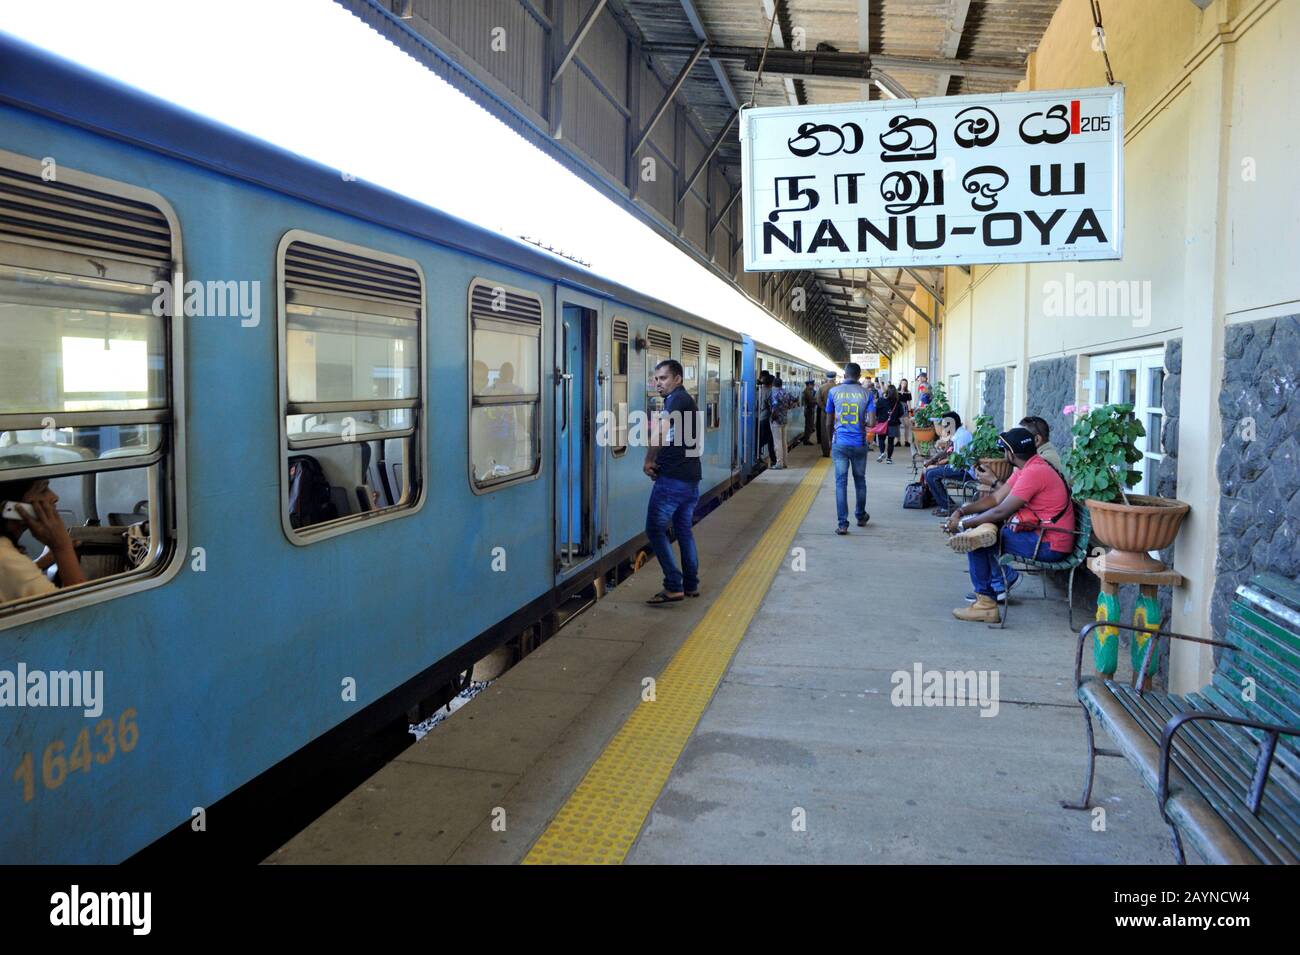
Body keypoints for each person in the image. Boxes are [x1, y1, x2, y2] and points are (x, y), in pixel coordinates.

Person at [944, 427, 1075, 622]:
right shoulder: (1029, 467)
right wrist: (962, 511)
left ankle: (985, 603)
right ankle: (996, 586)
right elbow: (996, 498)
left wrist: (963, 524)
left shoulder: (1034, 472)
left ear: (1010, 454)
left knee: (975, 539)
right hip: (1044, 536)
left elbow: (1000, 511)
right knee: (980, 532)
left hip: (1049, 543)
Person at [643, 359, 702, 605]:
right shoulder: (682, 400)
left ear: (678, 378)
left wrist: (649, 460)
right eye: (656, 379)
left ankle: (673, 584)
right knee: (683, 530)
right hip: (689, 479)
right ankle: (690, 584)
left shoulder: (677, 399)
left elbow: (660, 431)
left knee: (654, 529)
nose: (658, 383)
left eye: (663, 378)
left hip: (673, 481)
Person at [1, 472, 87, 603]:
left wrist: (39, 564)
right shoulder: (6, 558)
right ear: (10, 507)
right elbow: (81, 613)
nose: (54, 497)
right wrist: (62, 547)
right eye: (43, 490)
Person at [825, 362, 873, 535]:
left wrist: (831, 442)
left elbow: (829, 421)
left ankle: (843, 524)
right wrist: (862, 423)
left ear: (844, 375)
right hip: (859, 443)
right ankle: (860, 515)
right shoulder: (867, 393)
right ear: (859, 376)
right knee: (860, 481)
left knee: (841, 483)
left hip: (840, 443)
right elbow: (873, 423)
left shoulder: (833, 392)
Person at [920, 411, 975, 516]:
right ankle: (944, 503)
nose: (943, 428)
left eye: (945, 425)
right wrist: (933, 462)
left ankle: (947, 507)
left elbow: (958, 463)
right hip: (959, 467)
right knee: (930, 471)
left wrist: (939, 466)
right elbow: (948, 452)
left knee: (931, 474)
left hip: (965, 471)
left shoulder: (961, 437)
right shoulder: (958, 433)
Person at [768, 375, 794, 469]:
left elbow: (774, 407)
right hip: (784, 420)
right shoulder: (786, 393)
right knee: (784, 442)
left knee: (777, 442)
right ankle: (785, 463)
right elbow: (794, 401)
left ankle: (779, 463)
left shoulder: (775, 394)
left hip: (777, 421)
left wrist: (772, 417)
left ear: (774, 385)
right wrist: (786, 409)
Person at [874, 383, 904, 464]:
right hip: (893, 424)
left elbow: (876, 412)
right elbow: (901, 413)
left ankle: (882, 453)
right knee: (891, 442)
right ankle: (889, 459)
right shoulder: (897, 403)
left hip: (882, 424)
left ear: (887, 392)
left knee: (881, 439)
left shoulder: (880, 400)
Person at [815, 371, 837, 458]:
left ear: (826, 378)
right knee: (837, 431)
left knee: (825, 432)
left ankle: (826, 452)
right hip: (837, 413)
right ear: (835, 378)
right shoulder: (838, 387)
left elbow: (818, 400)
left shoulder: (822, 388)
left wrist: (825, 408)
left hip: (825, 413)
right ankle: (836, 451)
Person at [756, 371, 775, 467]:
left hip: (758, 418)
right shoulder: (769, 392)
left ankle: (757, 455)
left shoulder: (758, 390)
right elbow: (772, 406)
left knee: (760, 438)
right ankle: (773, 459)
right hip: (766, 418)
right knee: (769, 439)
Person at [799, 380, 817, 446]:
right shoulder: (807, 392)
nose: (813, 386)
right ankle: (806, 440)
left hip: (810, 410)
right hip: (808, 410)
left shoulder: (808, 391)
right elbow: (811, 401)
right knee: (809, 426)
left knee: (810, 426)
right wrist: (816, 401)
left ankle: (807, 439)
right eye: (812, 385)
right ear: (808, 385)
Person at [898, 378, 913, 448]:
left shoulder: (908, 392)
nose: (903, 384)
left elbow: (909, 403)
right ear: (900, 383)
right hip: (897, 408)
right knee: (897, 425)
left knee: (907, 425)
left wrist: (910, 412)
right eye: (902, 383)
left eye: (905, 383)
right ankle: (898, 441)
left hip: (905, 408)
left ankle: (906, 441)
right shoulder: (896, 391)